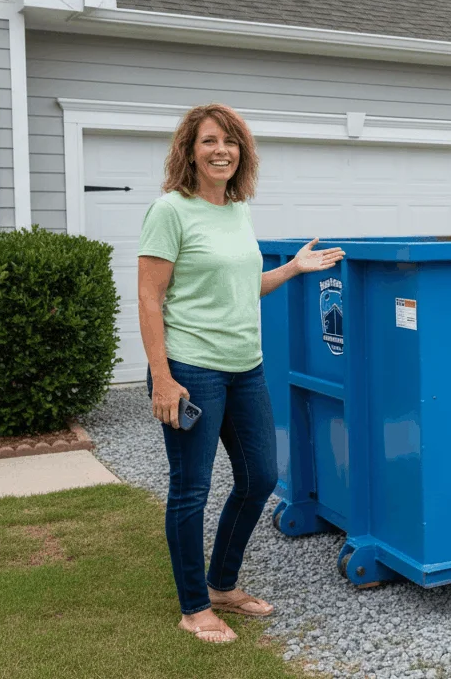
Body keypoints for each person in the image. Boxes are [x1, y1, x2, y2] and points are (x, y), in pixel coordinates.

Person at [137, 103, 345, 642]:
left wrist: (293, 268)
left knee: (261, 478)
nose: (221, 150)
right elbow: (149, 297)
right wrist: (162, 376)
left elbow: (242, 286)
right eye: (209, 141)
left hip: (245, 368)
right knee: (191, 489)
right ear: (190, 150)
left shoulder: (236, 209)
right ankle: (193, 607)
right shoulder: (170, 211)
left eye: (230, 141)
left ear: (241, 153)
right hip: (191, 368)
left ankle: (221, 586)